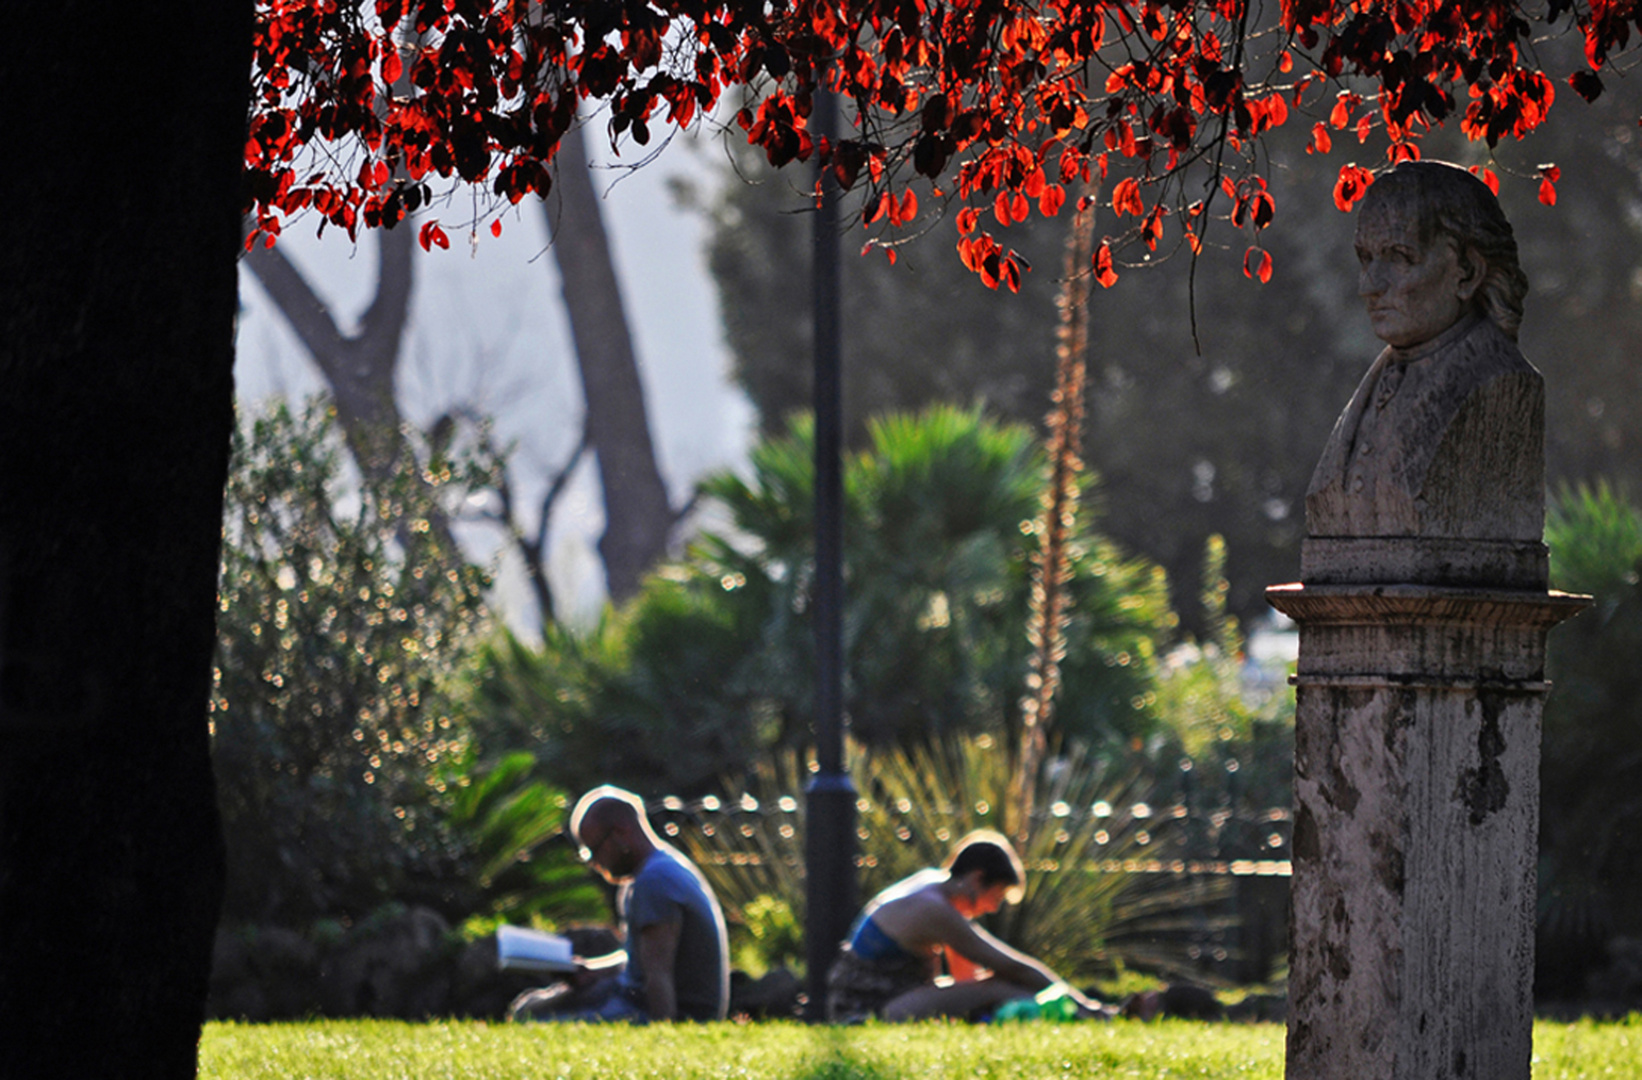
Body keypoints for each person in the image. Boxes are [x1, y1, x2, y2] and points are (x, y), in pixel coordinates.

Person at [1304, 160, 1544, 566]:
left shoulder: (1500, 383)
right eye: (1365, 258)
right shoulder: (1377, 380)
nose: (1369, 286)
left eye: (1399, 257)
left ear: (1467, 272)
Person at [825, 830, 1106, 1022]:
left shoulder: (934, 887)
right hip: (867, 1009)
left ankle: (1077, 1012)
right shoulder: (933, 909)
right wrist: (1085, 1002)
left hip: (886, 997)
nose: (994, 908)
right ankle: (1085, 1014)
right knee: (996, 988)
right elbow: (1011, 966)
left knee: (992, 988)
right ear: (976, 879)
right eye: (995, 896)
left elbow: (964, 978)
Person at [514, 785, 730, 1022]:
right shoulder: (656, 871)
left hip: (660, 1012)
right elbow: (642, 960)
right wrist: (590, 970)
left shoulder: (655, 881)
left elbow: (658, 975)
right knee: (532, 1006)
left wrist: (665, 1036)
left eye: (592, 850)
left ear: (620, 833)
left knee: (532, 1017)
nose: (593, 863)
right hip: (629, 996)